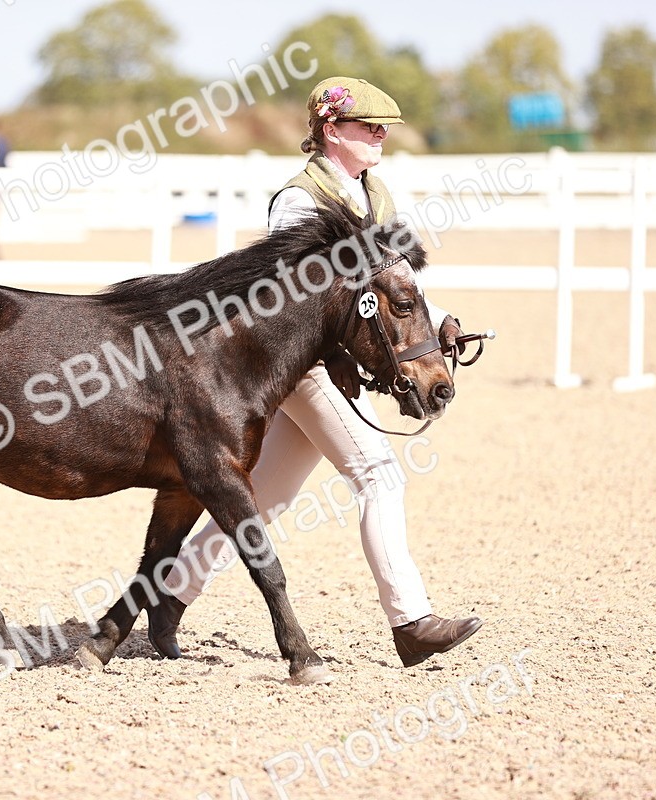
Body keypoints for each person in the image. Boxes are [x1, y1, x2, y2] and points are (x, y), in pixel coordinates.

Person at [147, 76, 482, 668]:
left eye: (383, 128)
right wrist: (338, 358)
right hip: (308, 367)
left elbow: (397, 284)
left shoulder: (375, 195)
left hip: (342, 358)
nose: (380, 136)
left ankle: (169, 596)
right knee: (380, 475)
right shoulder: (300, 201)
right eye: (368, 127)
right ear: (331, 130)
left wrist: (440, 323)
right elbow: (292, 301)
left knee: (267, 495)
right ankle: (411, 621)